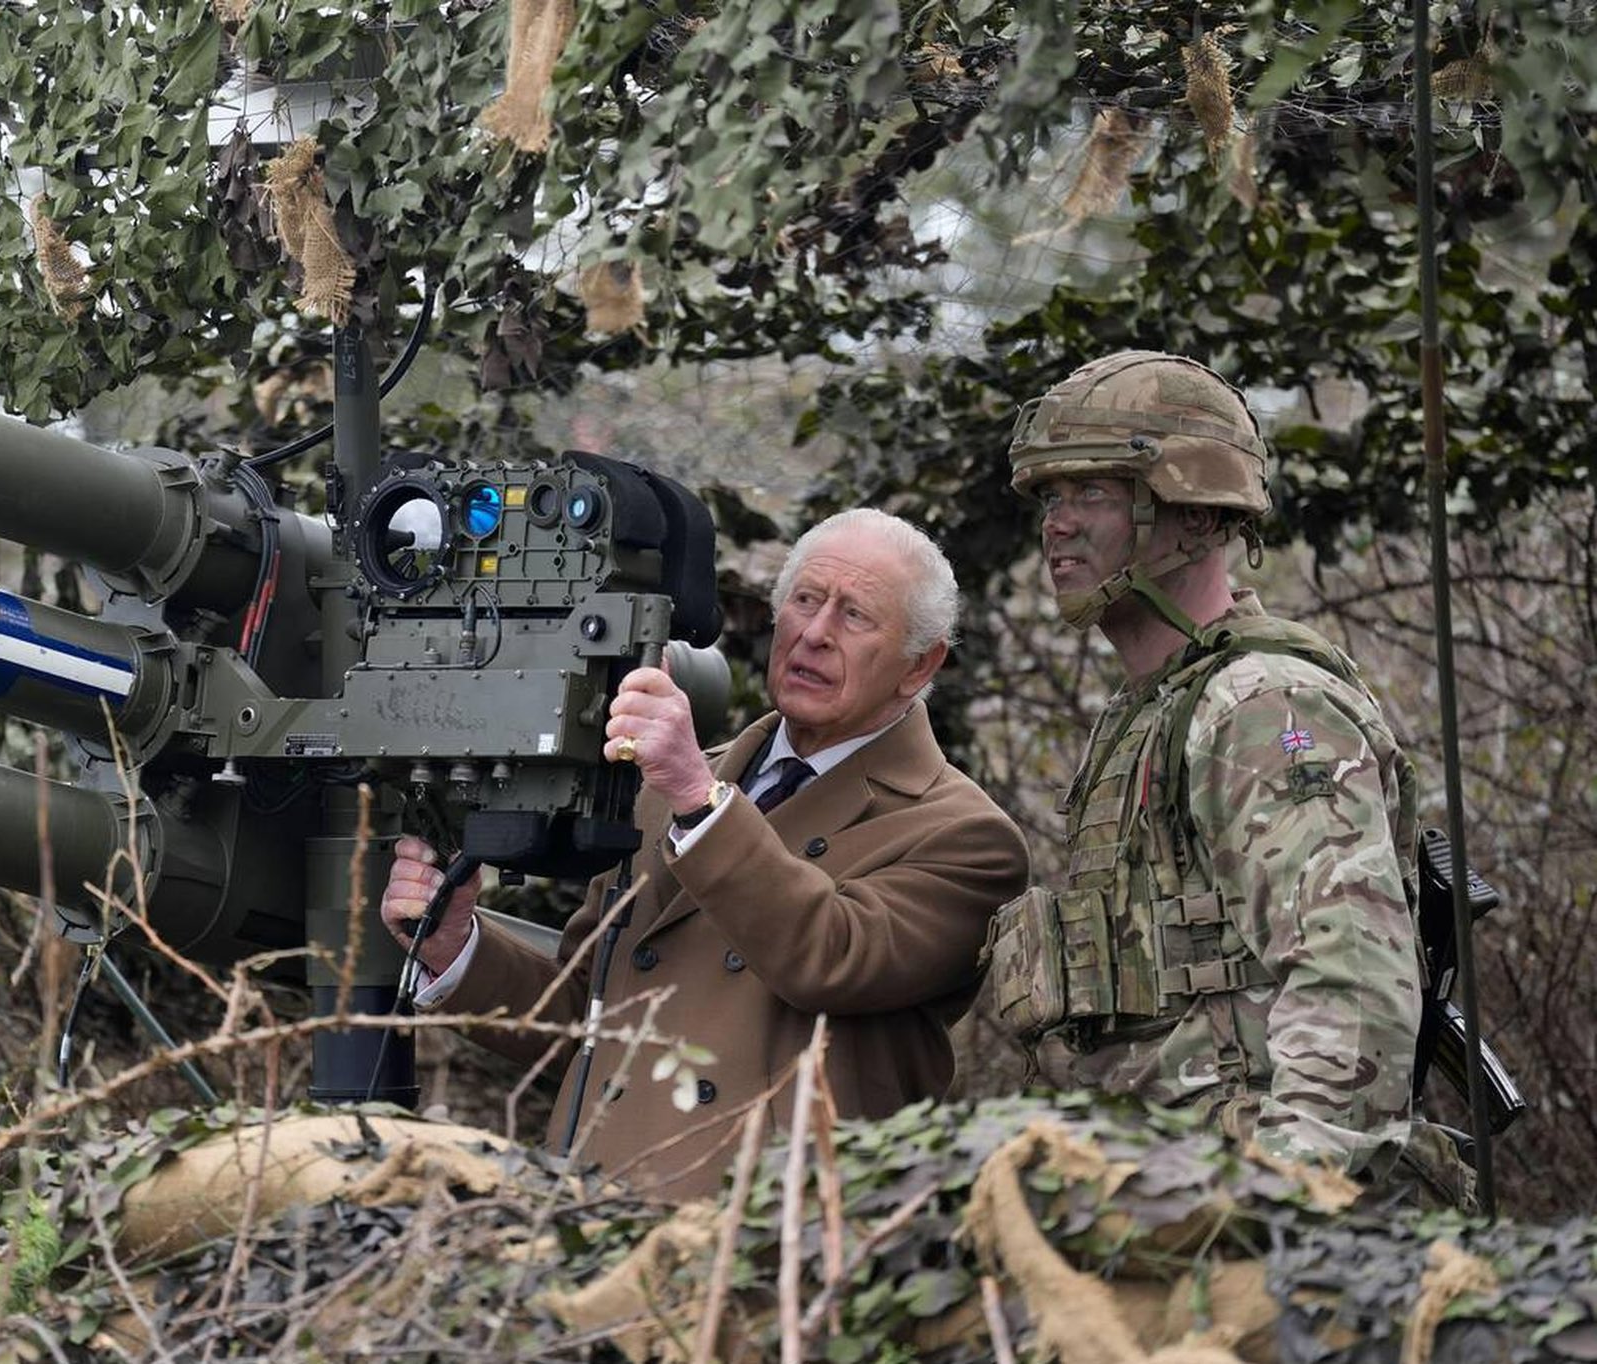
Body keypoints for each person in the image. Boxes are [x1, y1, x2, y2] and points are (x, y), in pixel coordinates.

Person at [380, 508, 1030, 1198]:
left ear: (920, 665)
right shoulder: (673, 785)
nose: (815, 633)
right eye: (805, 600)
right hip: (591, 1211)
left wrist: (697, 796)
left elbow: (830, 957)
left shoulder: (964, 836)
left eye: (855, 615)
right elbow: (587, 1017)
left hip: (773, 1230)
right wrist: (457, 949)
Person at [990, 349, 1455, 1197]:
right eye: (1051, 497)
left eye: (1092, 492)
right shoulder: (1155, 707)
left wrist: (1280, 1199)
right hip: (1173, 1186)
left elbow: (1353, 984)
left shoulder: (1262, 707)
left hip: (1263, 1204)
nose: (1057, 524)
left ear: (1197, 516)